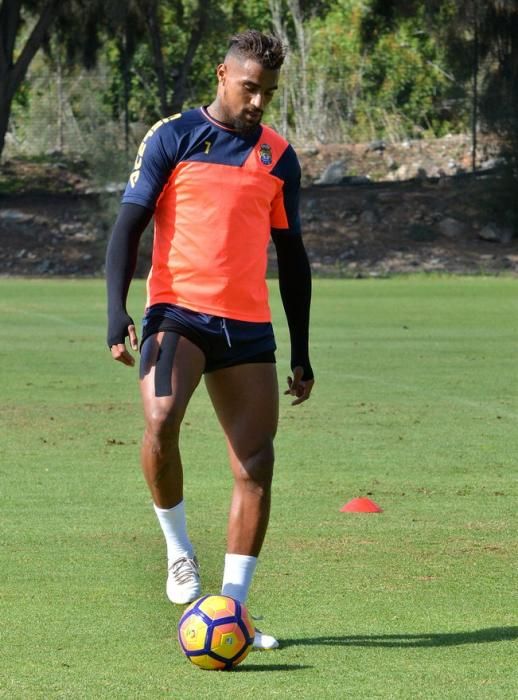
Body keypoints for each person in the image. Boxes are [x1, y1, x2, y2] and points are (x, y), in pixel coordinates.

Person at [105, 29, 314, 650]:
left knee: (256, 465)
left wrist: (300, 350)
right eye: (250, 87)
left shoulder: (280, 157)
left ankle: (235, 613)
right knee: (161, 418)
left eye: (268, 93)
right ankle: (177, 549)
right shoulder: (174, 136)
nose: (257, 102)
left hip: (247, 327)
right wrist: (115, 310)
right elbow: (129, 224)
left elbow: (294, 259)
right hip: (177, 313)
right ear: (223, 74)